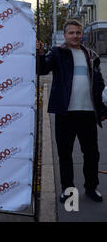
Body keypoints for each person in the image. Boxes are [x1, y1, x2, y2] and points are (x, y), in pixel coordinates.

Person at [36, 19, 107, 203]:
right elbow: (42, 69)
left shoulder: (91, 55)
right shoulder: (58, 53)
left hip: (87, 113)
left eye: (78, 32)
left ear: (81, 34)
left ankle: (91, 188)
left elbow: (98, 84)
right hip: (65, 113)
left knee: (92, 154)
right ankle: (68, 190)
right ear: (65, 35)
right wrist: (40, 53)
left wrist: (101, 108)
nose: (75, 36)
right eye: (71, 33)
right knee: (65, 154)